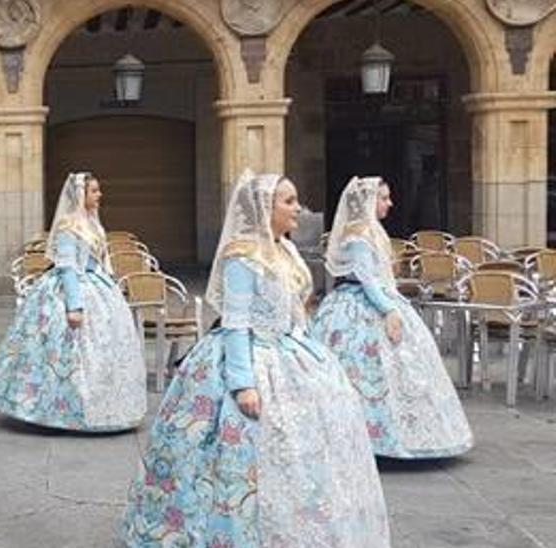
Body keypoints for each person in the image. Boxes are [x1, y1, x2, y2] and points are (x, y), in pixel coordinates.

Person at [116, 171, 389, 547]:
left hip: (291, 352)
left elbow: (295, 309)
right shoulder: (243, 255)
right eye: (288, 201)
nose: (298, 209)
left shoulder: (285, 249)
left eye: (296, 200)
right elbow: (237, 322)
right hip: (251, 357)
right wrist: (243, 383)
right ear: (265, 207)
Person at [309, 176, 473, 459]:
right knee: (365, 370)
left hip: (380, 298)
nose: (390, 203)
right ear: (369, 202)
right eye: (383, 198)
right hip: (359, 304)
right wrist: (388, 309)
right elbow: (368, 279)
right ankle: (366, 436)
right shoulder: (356, 236)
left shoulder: (372, 231)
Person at [0, 172, 147, 432]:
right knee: (64, 354)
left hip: (98, 287)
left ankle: (103, 405)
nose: (99, 195)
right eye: (94, 191)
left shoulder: (93, 223)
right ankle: (59, 408)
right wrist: (74, 306)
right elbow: (68, 267)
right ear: (81, 195)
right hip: (73, 290)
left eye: (98, 190)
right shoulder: (68, 226)